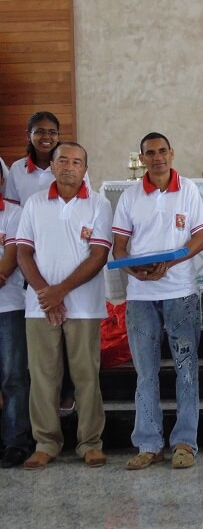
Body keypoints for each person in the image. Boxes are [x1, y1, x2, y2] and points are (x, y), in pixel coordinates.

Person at [112, 132, 203, 470]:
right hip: (140, 296)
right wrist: (134, 270)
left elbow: (200, 236)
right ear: (142, 159)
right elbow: (119, 248)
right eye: (150, 153)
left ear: (172, 153)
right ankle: (149, 443)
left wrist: (173, 261)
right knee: (145, 372)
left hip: (180, 291)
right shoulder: (129, 197)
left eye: (162, 151)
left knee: (186, 369)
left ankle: (185, 442)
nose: (157, 158)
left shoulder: (189, 191)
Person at [16, 142, 111, 470]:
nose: (70, 166)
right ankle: (46, 443)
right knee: (42, 376)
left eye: (78, 162)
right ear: (53, 166)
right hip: (39, 307)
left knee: (86, 375)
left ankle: (90, 443)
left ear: (85, 169)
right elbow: (22, 252)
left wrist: (60, 292)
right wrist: (46, 293)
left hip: (83, 306)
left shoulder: (98, 204)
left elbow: (98, 256)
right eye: (64, 161)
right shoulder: (34, 204)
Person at [5, 111, 81, 417]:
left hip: (66, 259)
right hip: (29, 260)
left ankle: (67, 392)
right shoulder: (17, 171)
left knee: (67, 329)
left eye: (52, 131)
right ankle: (43, 407)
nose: (46, 137)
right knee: (40, 334)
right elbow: (12, 216)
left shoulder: (67, 164)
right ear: (29, 135)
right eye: (39, 132)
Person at [0, 163, 32, 468]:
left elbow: (7, 265)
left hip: (8, 306)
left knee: (13, 377)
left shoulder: (13, 214)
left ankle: (15, 441)